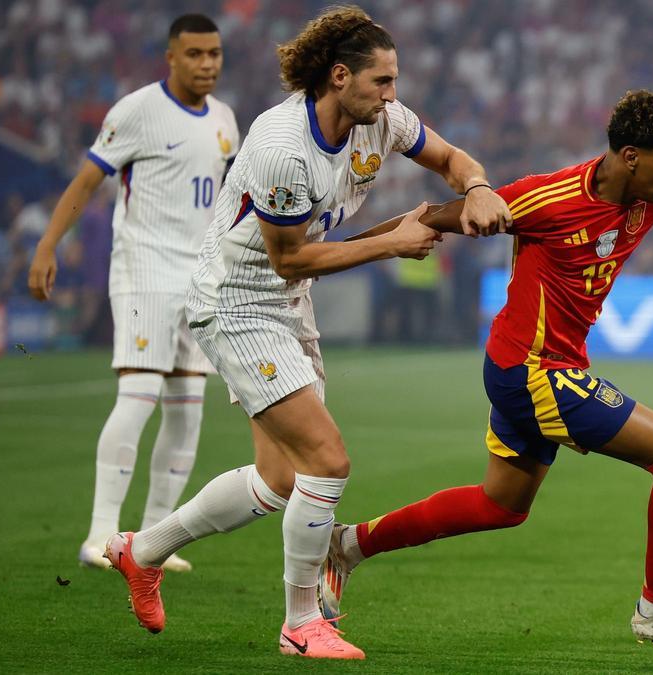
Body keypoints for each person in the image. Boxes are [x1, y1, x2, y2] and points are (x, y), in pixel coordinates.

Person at [318, 90, 653, 652]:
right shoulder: (544, 198)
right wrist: (326, 258)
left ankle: (347, 546)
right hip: (530, 371)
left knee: (500, 506)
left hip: (538, 367)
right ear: (631, 155)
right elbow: (428, 220)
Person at [101, 5, 510, 661]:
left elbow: (449, 157)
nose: (392, 95)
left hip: (288, 299)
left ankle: (140, 551)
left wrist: (480, 185)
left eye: (395, 81)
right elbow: (289, 257)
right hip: (236, 301)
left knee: (279, 480)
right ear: (340, 76)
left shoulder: (384, 120)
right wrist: (393, 243)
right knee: (326, 459)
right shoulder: (282, 149)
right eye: (381, 82)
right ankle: (301, 621)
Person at [27, 14, 239, 573]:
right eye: (194, 54)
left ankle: (151, 542)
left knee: (188, 411)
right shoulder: (137, 110)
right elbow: (88, 180)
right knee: (140, 392)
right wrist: (48, 245)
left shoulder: (225, 121)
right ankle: (99, 534)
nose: (207, 64)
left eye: (214, 53)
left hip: (200, 279)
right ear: (170, 57)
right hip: (144, 269)